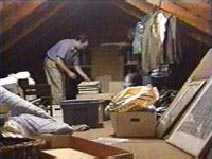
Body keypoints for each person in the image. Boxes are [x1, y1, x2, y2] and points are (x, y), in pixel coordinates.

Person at [44, 35, 91, 105]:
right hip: (52, 62)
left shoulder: (76, 51)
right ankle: (58, 107)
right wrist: (69, 72)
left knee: (62, 87)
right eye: (84, 46)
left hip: (60, 64)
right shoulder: (66, 44)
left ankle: (63, 105)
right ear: (80, 42)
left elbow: (76, 66)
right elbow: (58, 60)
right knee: (57, 86)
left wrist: (85, 76)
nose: (84, 49)